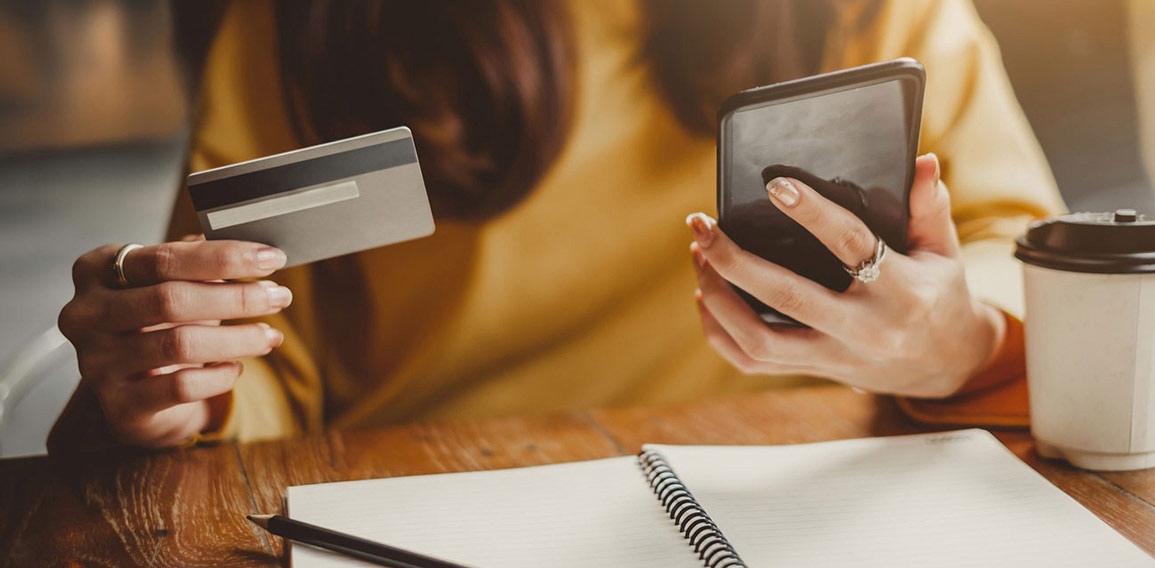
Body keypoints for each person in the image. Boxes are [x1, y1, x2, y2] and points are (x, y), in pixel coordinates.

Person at [50, 0, 1062, 451]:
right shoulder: (302, 26)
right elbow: (256, 346)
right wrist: (186, 385)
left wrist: (956, 342)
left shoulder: (872, 10)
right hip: (406, 502)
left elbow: (1022, 249)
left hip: (799, 495)